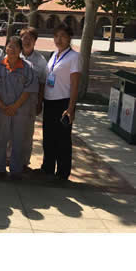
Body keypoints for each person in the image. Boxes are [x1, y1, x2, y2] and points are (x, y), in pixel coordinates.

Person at [41, 23, 81, 181]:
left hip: (63, 103)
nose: (59, 39)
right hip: (49, 101)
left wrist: (71, 107)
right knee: (48, 136)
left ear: (70, 37)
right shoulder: (53, 55)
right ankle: (48, 167)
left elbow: (75, 84)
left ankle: (63, 172)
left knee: (62, 139)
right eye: (56, 36)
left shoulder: (74, 57)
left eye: (63, 36)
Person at [0, 36, 38, 180]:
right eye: (9, 46)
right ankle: (0, 168)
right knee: (1, 139)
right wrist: (1, 104)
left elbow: (29, 89)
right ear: (5, 48)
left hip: (20, 111)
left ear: (20, 50)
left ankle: (15, 170)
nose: (12, 49)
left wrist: (15, 106)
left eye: (15, 47)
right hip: (2, 110)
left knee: (18, 140)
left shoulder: (28, 67)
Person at [20, 27, 48, 170]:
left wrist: (39, 102)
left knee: (27, 132)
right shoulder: (14, 54)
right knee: (11, 130)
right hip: (13, 100)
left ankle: (24, 160)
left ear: (35, 41)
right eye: (24, 38)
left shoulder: (40, 60)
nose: (27, 41)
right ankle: (9, 157)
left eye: (30, 39)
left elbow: (42, 82)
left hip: (30, 102)